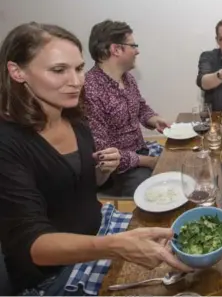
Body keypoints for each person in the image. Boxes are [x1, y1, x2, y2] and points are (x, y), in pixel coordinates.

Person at [0, 23, 191, 295]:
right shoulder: (8, 143)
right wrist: (115, 246)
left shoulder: (75, 119)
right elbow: (31, 244)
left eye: (78, 68)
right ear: (17, 72)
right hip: (52, 274)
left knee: (182, 236)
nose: (77, 81)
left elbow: (88, 182)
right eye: (58, 70)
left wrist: (103, 170)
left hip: (99, 232)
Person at [84, 20, 168, 197]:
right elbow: (104, 156)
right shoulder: (90, 91)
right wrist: (150, 162)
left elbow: (140, 108)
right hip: (118, 173)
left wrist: (155, 120)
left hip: (140, 152)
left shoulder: (127, 78)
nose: (137, 51)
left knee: (182, 163)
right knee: (161, 195)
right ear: (116, 49)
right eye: (133, 45)